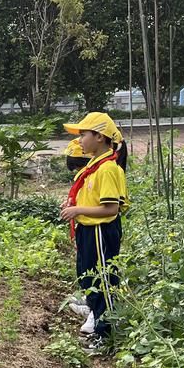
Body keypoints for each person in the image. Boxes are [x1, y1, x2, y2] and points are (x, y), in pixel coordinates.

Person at [59, 113, 128, 351]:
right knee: (88, 277)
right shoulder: (94, 165)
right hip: (89, 229)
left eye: (83, 135)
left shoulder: (107, 169)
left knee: (102, 282)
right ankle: (99, 327)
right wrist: (73, 204)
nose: (79, 140)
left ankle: (105, 335)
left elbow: (111, 208)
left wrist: (78, 209)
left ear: (99, 137)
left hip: (100, 230)